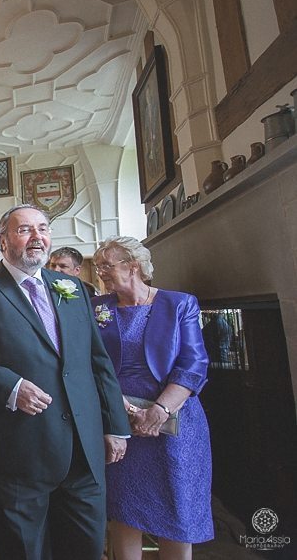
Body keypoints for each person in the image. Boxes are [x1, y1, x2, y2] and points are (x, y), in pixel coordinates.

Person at [0, 204, 130, 560]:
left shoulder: (71, 287)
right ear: (3, 241)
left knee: (85, 548)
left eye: (43, 229)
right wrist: (10, 387)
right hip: (16, 451)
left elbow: (97, 361)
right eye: (24, 230)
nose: (37, 237)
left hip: (81, 451)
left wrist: (115, 426)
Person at [91, 236, 213, 559]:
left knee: (177, 510)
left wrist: (159, 410)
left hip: (174, 422)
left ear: (133, 266)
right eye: (98, 265)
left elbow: (194, 363)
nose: (101, 271)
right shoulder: (96, 309)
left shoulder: (179, 304)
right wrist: (122, 409)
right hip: (119, 421)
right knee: (124, 509)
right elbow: (89, 362)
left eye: (107, 265)